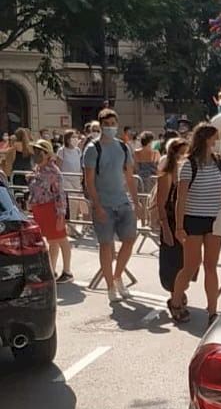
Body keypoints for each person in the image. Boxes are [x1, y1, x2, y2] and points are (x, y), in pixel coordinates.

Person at [170, 123, 221, 326]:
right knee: (191, 265)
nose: (218, 141)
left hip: (214, 219)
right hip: (193, 219)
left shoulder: (220, 163)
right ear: (205, 139)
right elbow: (181, 198)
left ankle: (212, 311)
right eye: (215, 137)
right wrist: (179, 227)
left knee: (211, 266)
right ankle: (175, 301)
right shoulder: (189, 164)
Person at [82, 108, 139, 305]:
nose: (110, 127)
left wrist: (136, 201)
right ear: (100, 126)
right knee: (106, 245)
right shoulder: (92, 149)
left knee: (129, 240)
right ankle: (110, 286)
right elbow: (89, 180)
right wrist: (96, 206)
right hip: (103, 204)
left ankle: (117, 276)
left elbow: (129, 177)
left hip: (123, 201)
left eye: (113, 124)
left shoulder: (123, 147)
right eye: (106, 124)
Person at [28, 139, 72, 282]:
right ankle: (51, 271)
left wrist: (61, 215)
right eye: (35, 151)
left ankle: (67, 271)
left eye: (39, 151)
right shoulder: (37, 169)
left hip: (51, 209)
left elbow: (60, 194)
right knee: (52, 241)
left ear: (47, 154)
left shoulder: (53, 171)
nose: (36, 154)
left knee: (61, 239)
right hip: (40, 209)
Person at [155, 137, 188, 298]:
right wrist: (166, 229)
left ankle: (180, 290)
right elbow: (161, 203)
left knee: (185, 261)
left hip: (184, 221)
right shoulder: (166, 175)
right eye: (182, 153)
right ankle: (175, 294)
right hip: (171, 222)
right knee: (172, 261)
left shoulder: (186, 174)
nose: (185, 157)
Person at [56, 129, 86, 234]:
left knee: (80, 203)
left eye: (76, 137)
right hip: (66, 179)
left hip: (76, 179)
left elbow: (79, 164)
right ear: (67, 139)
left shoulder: (78, 150)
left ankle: (80, 225)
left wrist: (81, 175)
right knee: (72, 202)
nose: (75, 139)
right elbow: (58, 167)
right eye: (73, 137)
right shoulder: (62, 151)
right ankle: (71, 228)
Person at [134, 131, 160, 197]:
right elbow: (158, 168)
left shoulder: (136, 152)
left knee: (141, 198)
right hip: (152, 180)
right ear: (150, 141)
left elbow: (135, 168)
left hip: (140, 179)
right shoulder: (155, 153)